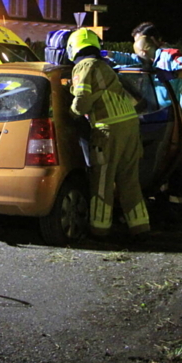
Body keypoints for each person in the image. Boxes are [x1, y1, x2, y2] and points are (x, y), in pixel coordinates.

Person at [108, 23, 182, 221]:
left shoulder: (169, 55)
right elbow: (129, 59)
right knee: (169, 167)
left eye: (141, 42)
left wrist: (172, 75)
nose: (139, 49)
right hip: (167, 120)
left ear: (152, 41)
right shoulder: (150, 60)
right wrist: (106, 54)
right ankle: (171, 209)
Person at [67, 28, 151, 238]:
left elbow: (81, 102)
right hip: (130, 126)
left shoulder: (84, 66)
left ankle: (99, 229)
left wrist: (69, 114)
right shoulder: (106, 67)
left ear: (72, 48)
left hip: (108, 129)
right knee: (129, 180)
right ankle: (140, 227)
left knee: (102, 180)